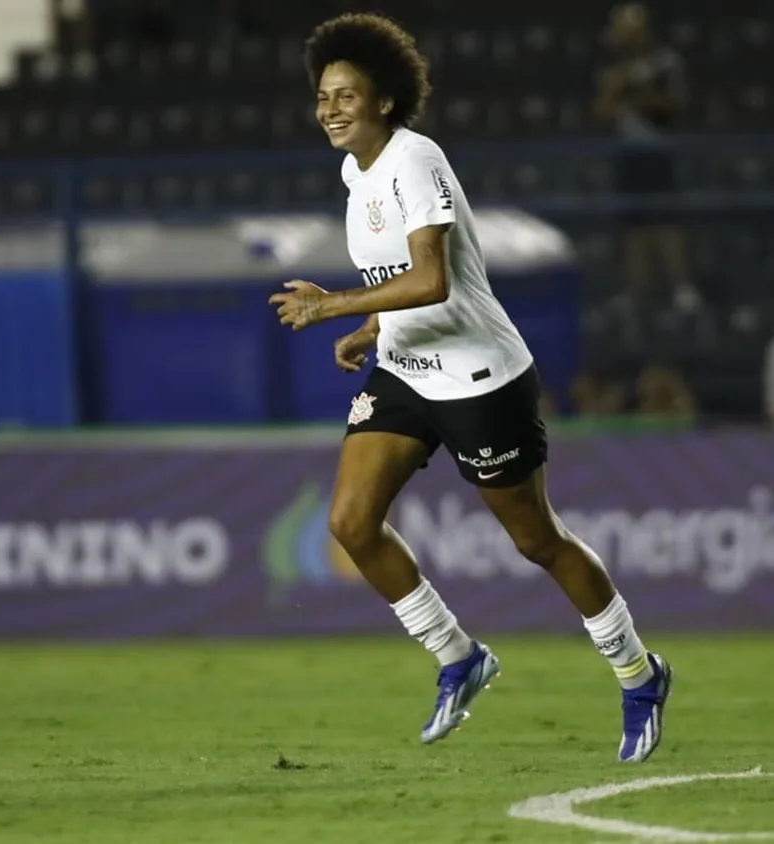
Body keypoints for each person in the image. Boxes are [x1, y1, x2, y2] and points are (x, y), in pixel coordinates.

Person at [268, 12, 671, 762]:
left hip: (480, 376)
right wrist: (371, 330)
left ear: (384, 99)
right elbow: (401, 286)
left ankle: (639, 673)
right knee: (351, 524)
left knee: (536, 540)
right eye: (322, 96)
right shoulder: (356, 172)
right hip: (409, 368)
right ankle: (458, 656)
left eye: (345, 95)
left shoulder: (414, 161)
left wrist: (333, 306)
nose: (329, 109)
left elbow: (433, 279)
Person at [593, 2, 697, 312]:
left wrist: (635, 89)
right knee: (633, 225)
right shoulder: (612, 71)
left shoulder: (665, 63)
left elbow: (675, 106)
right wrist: (615, 89)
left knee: (666, 221)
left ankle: (682, 287)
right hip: (627, 151)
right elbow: (601, 112)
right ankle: (636, 289)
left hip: (659, 148)